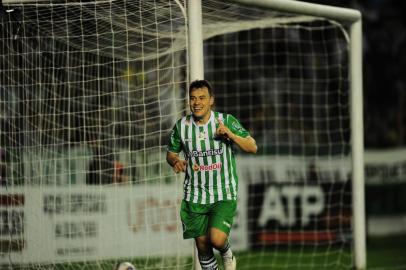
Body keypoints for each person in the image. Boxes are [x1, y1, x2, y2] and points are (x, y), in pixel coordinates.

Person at [166, 79, 257, 270]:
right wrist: (175, 161)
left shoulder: (226, 121)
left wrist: (231, 135)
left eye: (202, 98)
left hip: (223, 192)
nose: (197, 102)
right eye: (193, 99)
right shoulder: (181, 127)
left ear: (211, 100)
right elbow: (171, 153)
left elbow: (252, 146)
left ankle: (227, 252)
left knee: (216, 239)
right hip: (195, 194)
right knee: (202, 246)